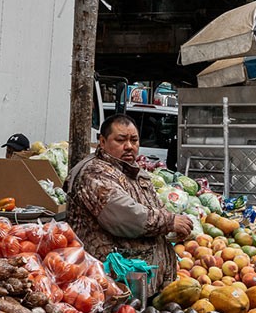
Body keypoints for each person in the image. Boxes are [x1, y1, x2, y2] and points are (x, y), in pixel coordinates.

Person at [65, 114, 192, 278]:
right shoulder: (94, 173)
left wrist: (172, 229)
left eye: (134, 140)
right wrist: (169, 222)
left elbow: (156, 208)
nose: (129, 146)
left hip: (141, 281)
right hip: (113, 281)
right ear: (102, 142)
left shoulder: (134, 171)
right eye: (121, 140)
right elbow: (125, 216)